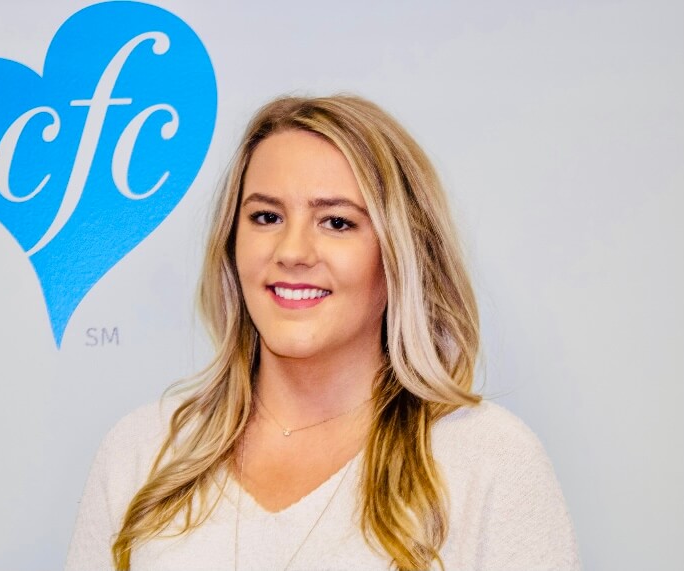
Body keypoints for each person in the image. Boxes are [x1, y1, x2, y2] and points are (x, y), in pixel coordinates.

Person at [65, 95, 581, 571]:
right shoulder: (143, 451)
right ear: (232, 244)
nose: (292, 252)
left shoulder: (487, 461)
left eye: (336, 222)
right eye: (266, 216)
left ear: (400, 255)